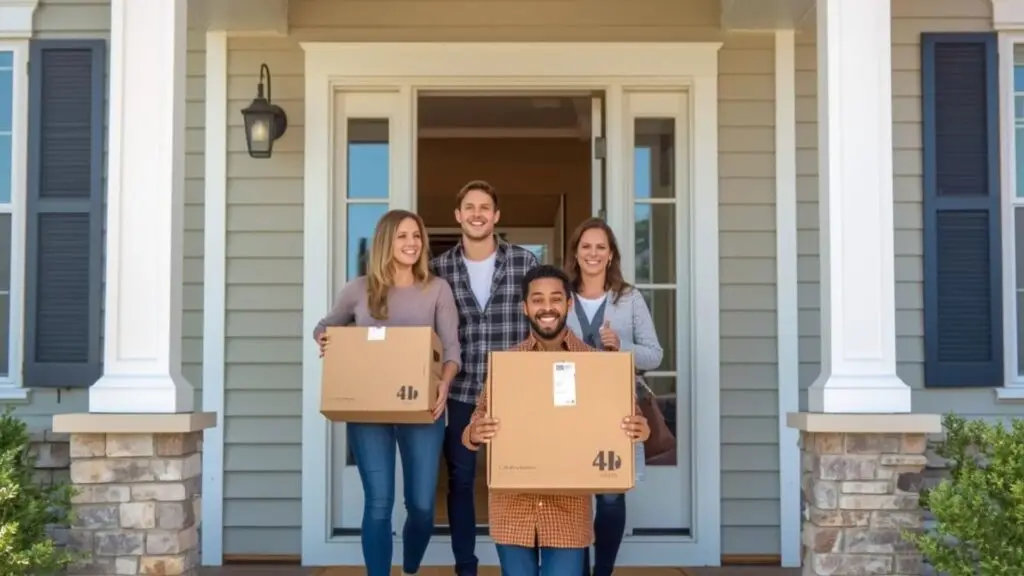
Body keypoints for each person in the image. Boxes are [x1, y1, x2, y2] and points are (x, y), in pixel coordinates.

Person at [462, 264, 651, 576]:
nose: (546, 307)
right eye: (537, 299)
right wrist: (475, 432)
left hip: (568, 510)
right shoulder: (507, 365)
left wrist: (639, 429)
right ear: (525, 307)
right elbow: (474, 424)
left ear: (568, 304)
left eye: (555, 298)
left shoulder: (595, 364)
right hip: (513, 509)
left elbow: (633, 419)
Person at [314, 209, 461, 576]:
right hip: (369, 413)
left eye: (417, 236)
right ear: (386, 242)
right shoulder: (357, 290)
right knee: (378, 503)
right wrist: (326, 341)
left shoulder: (436, 289)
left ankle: (410, 566)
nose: (412, 243)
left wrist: (445, 383)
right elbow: (325, 327)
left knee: (422, 505)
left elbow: (453, 349)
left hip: (423, 411)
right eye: (403, 236)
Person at [431, 180, 539, 576]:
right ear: (458, 216)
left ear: (496, 216)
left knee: (520, 478)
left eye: (485, 207)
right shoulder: (438, 269)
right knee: (460, 480)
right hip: (460, 391)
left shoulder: (524, 262)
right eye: (469, 207)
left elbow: (543, 322)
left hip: (513, 391)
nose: (477, 213)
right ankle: (466, 566)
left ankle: (522, 560)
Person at [563, 217, 664, 576]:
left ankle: (602, 570)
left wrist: (622, 346)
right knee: (573, 492)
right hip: (569, 411)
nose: (593, 253)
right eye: (586, 246)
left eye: (600, 247)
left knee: (609, 495)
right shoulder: (561, 296)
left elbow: (655, 354)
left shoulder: (628, 298)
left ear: (610, 255)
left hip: (615, 409)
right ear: (576, 252)